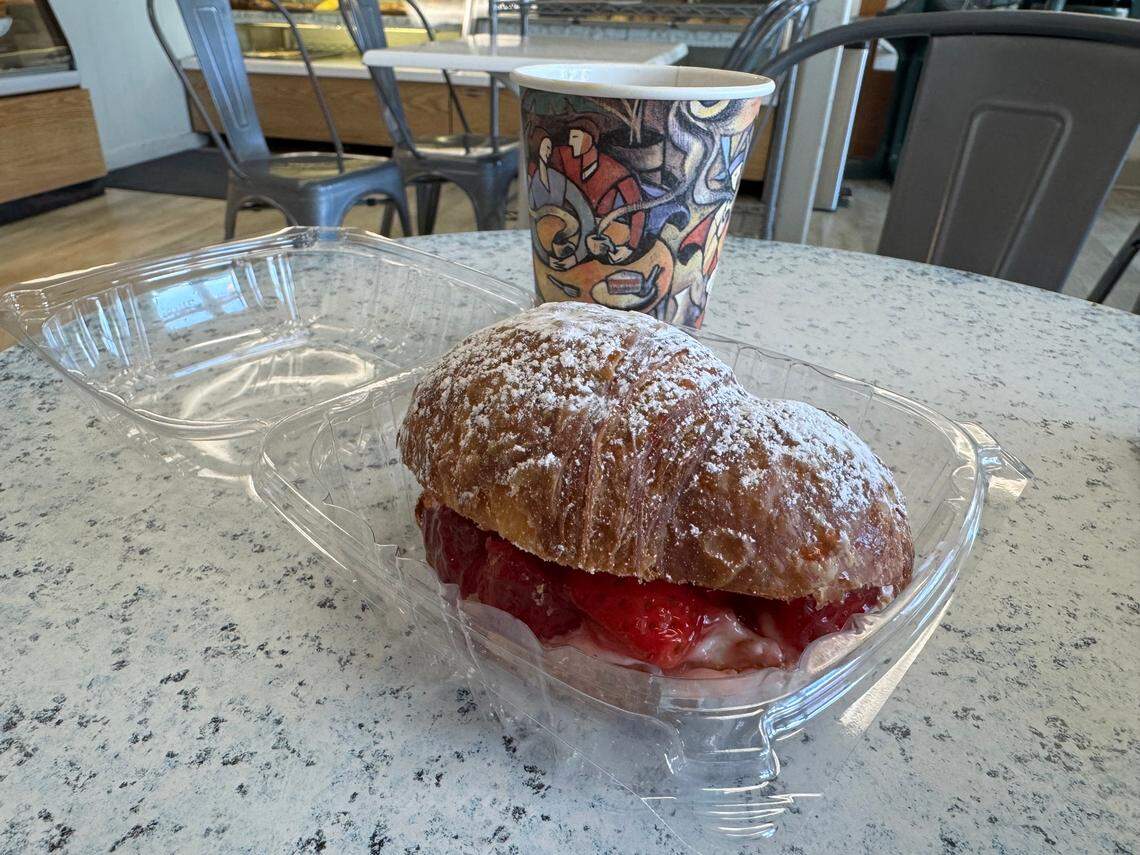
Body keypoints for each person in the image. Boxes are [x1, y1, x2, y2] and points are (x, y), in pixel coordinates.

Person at [550, 119, 646, 264]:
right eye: (570, 138)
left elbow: (637, 208)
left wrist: (630, 247)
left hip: (601, 232)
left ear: (591, 139)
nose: (571, 142)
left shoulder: (616, 171)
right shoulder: (565, 157)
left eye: (576, 137)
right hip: (572, 227)